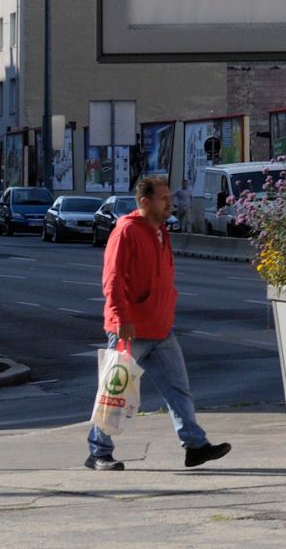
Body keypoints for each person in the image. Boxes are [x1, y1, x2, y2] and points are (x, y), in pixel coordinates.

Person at [86, 174, 230, 471]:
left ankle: (195, 446)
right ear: (144, 202)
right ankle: (98, 452)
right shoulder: (126, 232)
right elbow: (112, 280)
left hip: (160, 327)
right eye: (163, 198)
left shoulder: (161, 230)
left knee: (179, 389)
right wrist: (122, 317)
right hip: (130, 328)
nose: (170, 202)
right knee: (115, 391)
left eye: (168, 197)